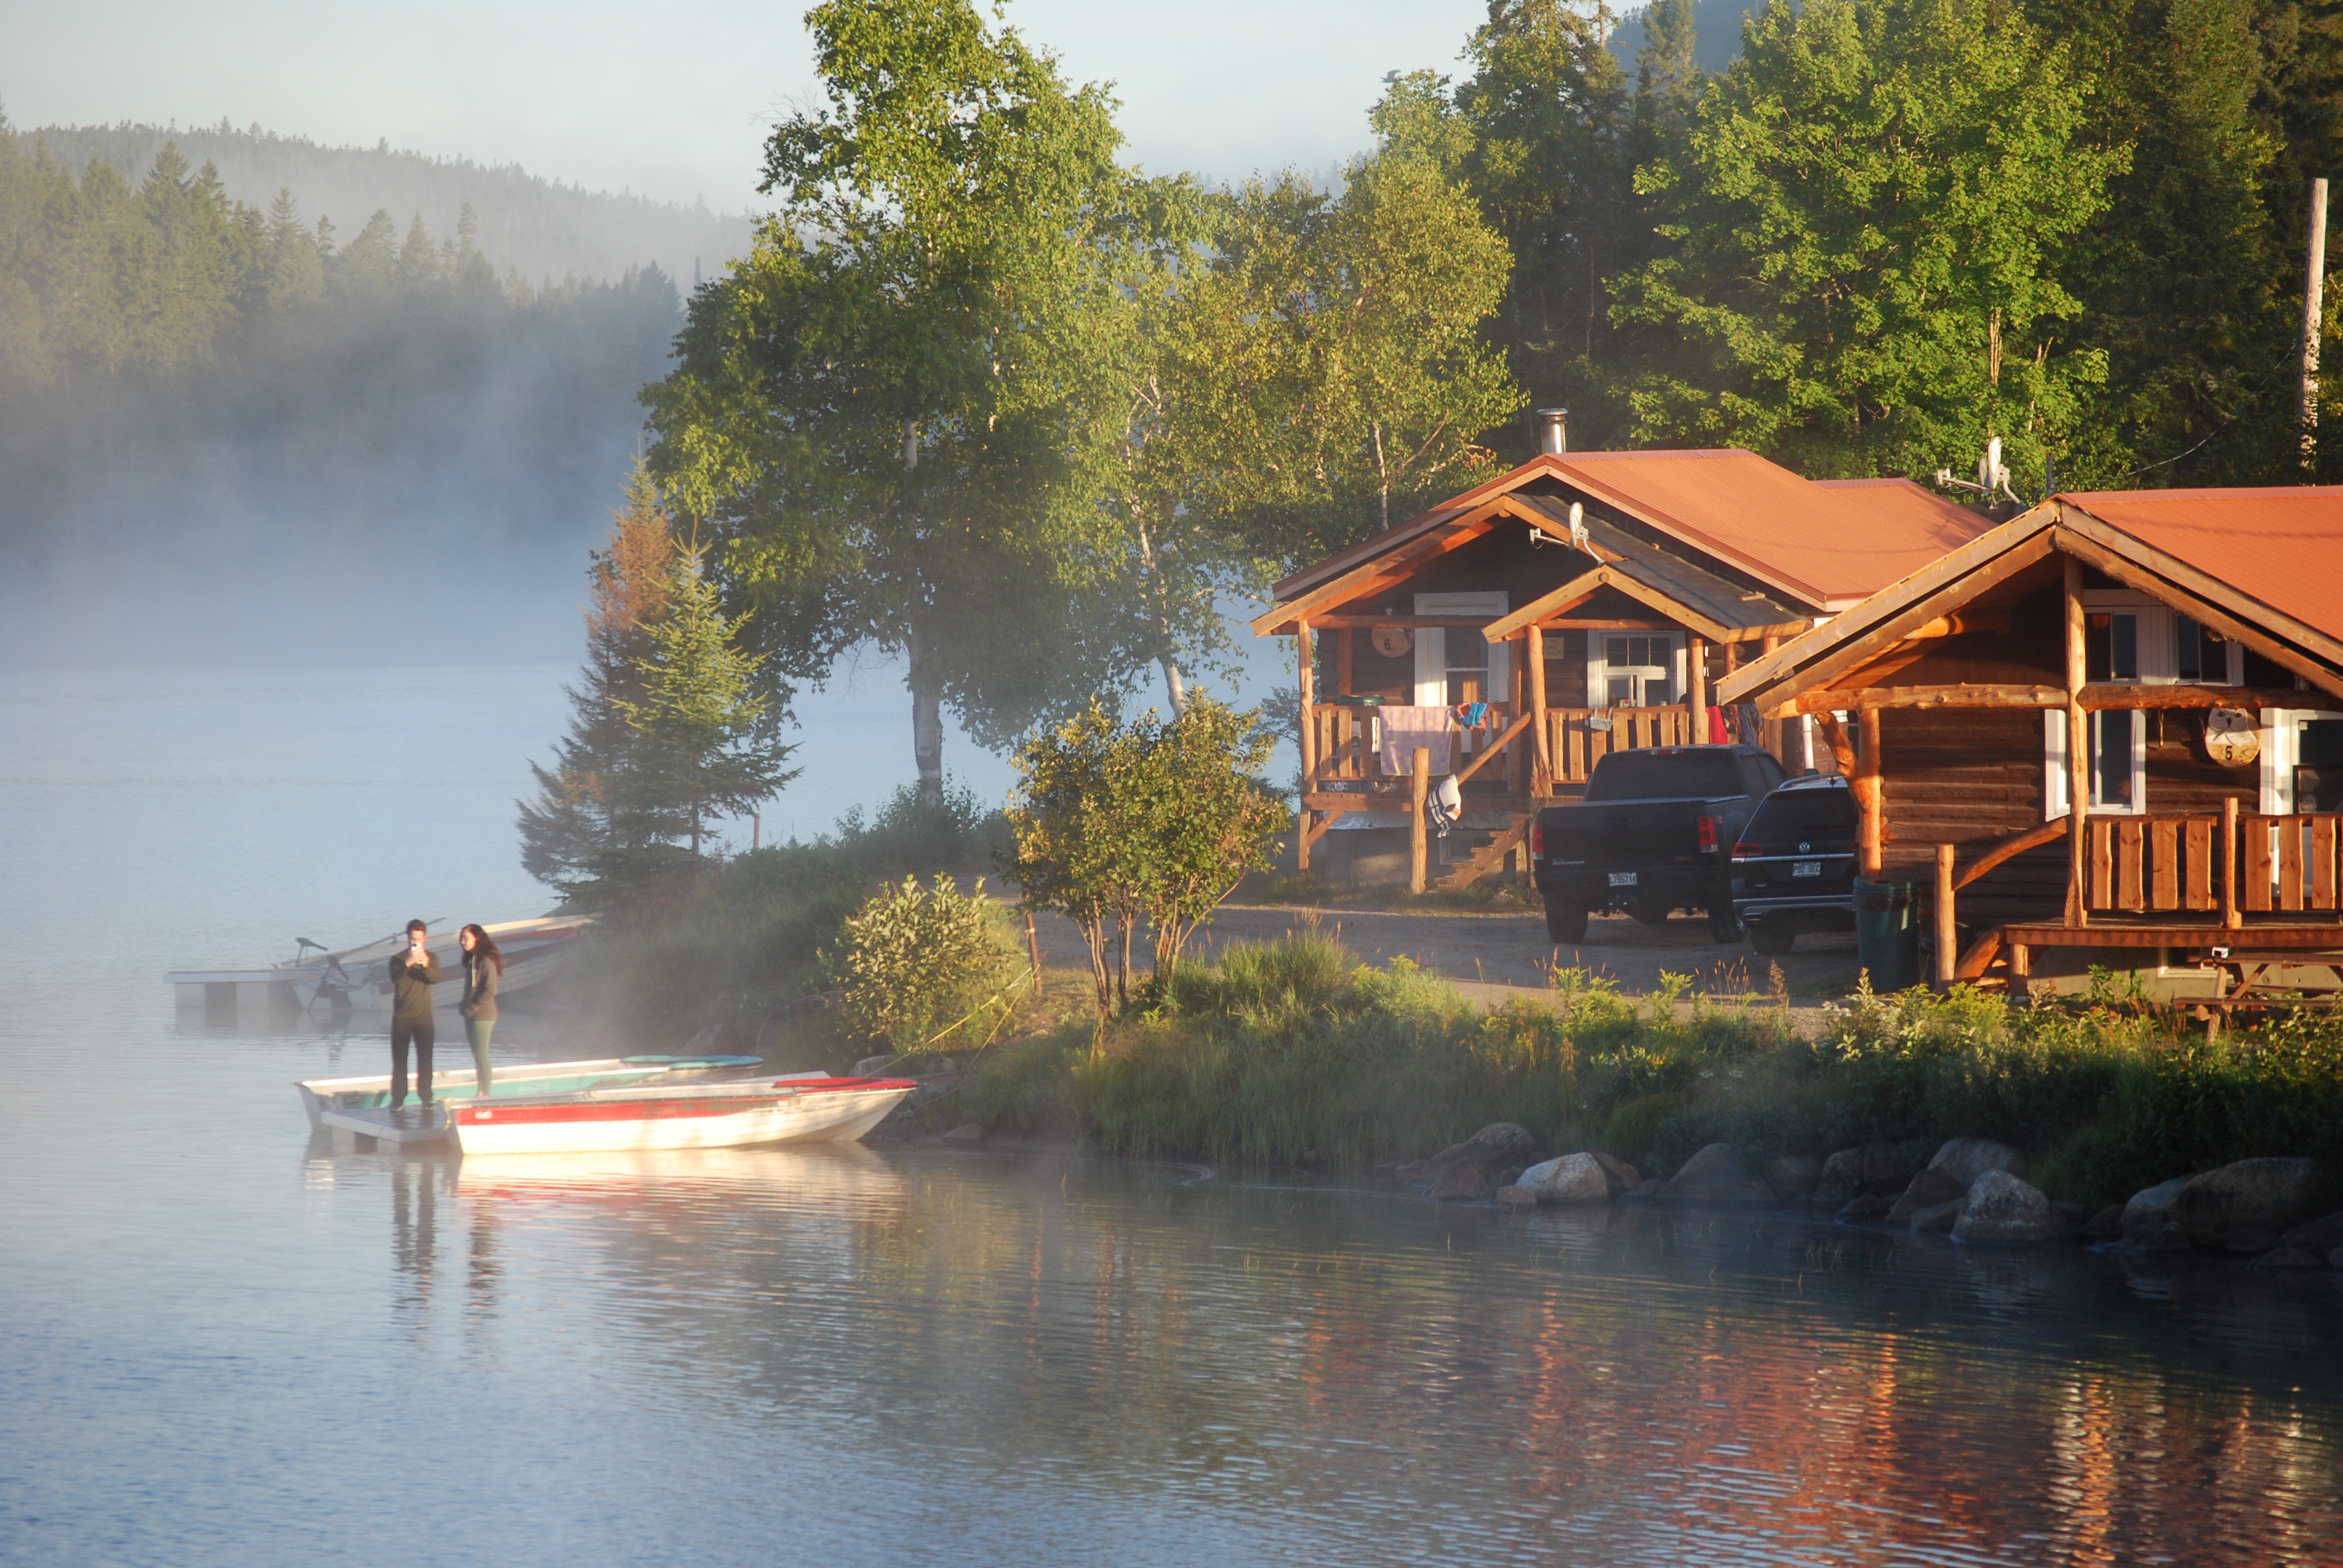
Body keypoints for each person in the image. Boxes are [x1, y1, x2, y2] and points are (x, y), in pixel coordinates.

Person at [388, 919, 441, 1112]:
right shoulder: (398, 959)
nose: (415, 943)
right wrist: (408, 964)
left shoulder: (432, 958)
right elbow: (395, 979)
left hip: (424, 1017)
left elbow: (435, 979)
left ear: (425, 938)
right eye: (412, 939)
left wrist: (425, 965)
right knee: (400, 1062)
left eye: (418, 939)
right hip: (402, 1017)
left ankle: (427, 1099)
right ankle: (398, 1100)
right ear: (408, 938)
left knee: (425, 1060)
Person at [457, 923, 502, 1096]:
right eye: (461, 938)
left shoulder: (485, 960)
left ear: (477, 938)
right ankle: (481, 1091)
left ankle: (485, 1093)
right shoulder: (473, 960)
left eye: (466, 938)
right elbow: (471, 989)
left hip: (483, 1015)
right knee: (477, 1055)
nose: (462, 942)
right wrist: (464, 1005)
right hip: (471, 1014)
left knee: (481, 1055)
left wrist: (472, 1007)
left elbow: (490, 989)